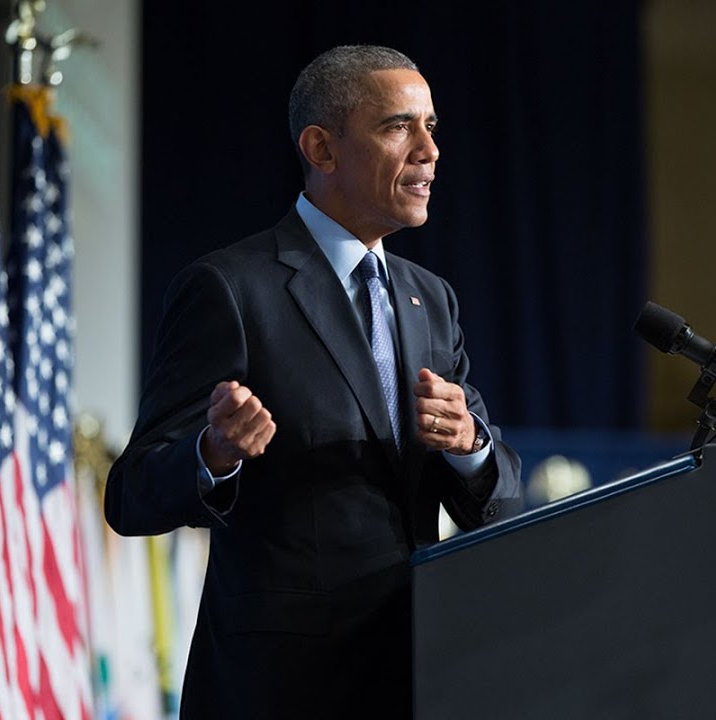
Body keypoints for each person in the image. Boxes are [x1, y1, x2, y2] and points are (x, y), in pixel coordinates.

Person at [104, 44, 523, 718]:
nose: (429, 151)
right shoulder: (231, 288)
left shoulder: (430, 298)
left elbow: (496, 492)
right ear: (322, 149)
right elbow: (132, 496)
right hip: (281, 687)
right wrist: (212, 455)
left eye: (431, 127)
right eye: (398, 126)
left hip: (419, 676)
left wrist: (470, 443)